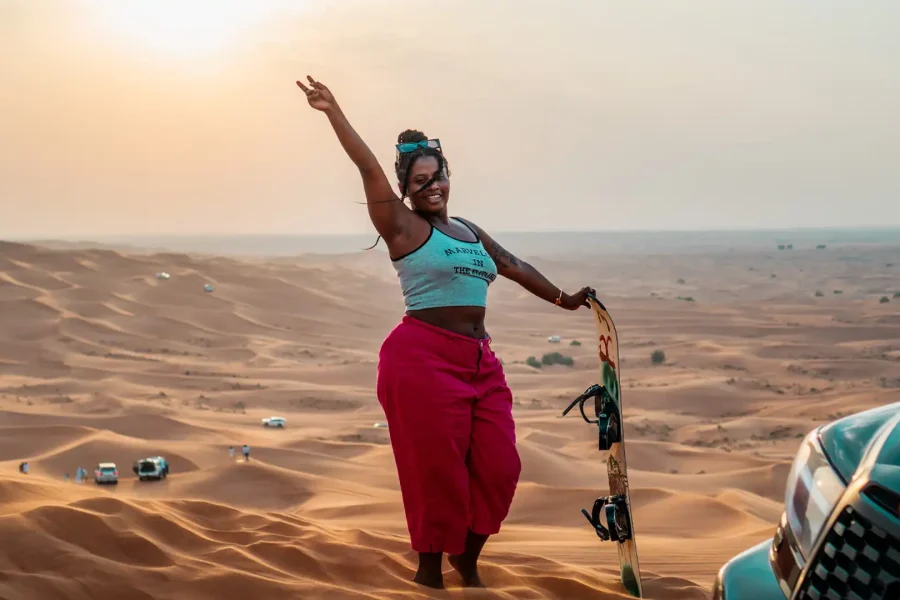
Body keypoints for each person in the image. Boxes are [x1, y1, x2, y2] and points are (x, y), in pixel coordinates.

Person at [296, 75, 594, 590]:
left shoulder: (470, 232)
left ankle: (466, 556)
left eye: (437, 176)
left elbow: (515, 265)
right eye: (419, 181)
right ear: (407, 189)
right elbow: (368, 166)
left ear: (448, 176)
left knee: (501, 468)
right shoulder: (404, 228)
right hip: (421, 361)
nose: (431, 186)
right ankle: (431, 574)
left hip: (479, 362)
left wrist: (564, 300)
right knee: (437, 476)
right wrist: (333, 111)